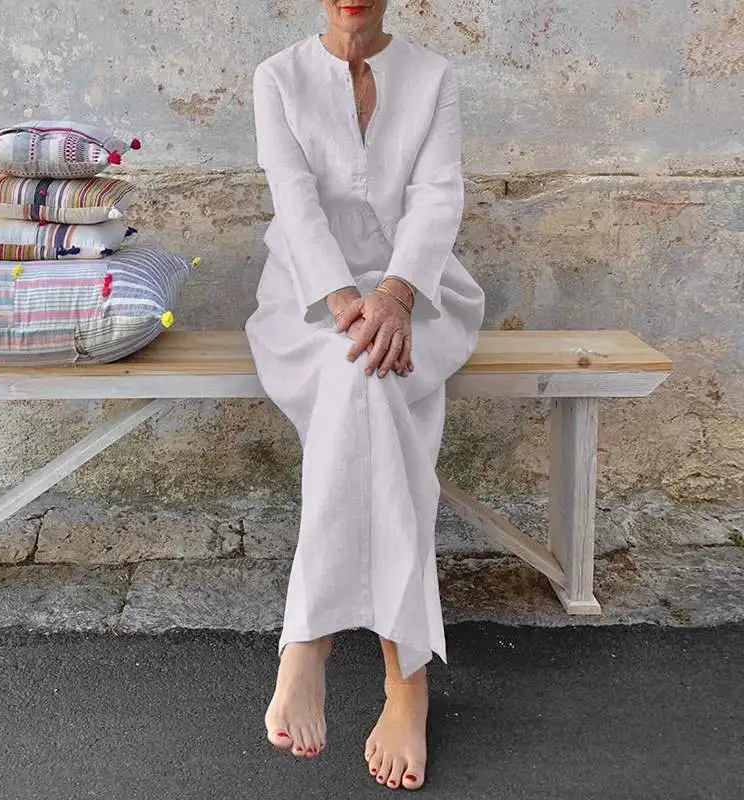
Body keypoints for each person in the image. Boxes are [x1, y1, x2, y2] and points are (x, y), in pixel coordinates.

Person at [244, 0, 484, 790]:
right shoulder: (277, 77)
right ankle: (404, 683)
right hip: (307, 302)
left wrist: (396, 295)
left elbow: (439, 196)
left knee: (367, 377)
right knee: (366, 377)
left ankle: (308, 640)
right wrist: (351, 302)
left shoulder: (434, 75)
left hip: (422, 296)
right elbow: (295, 202)